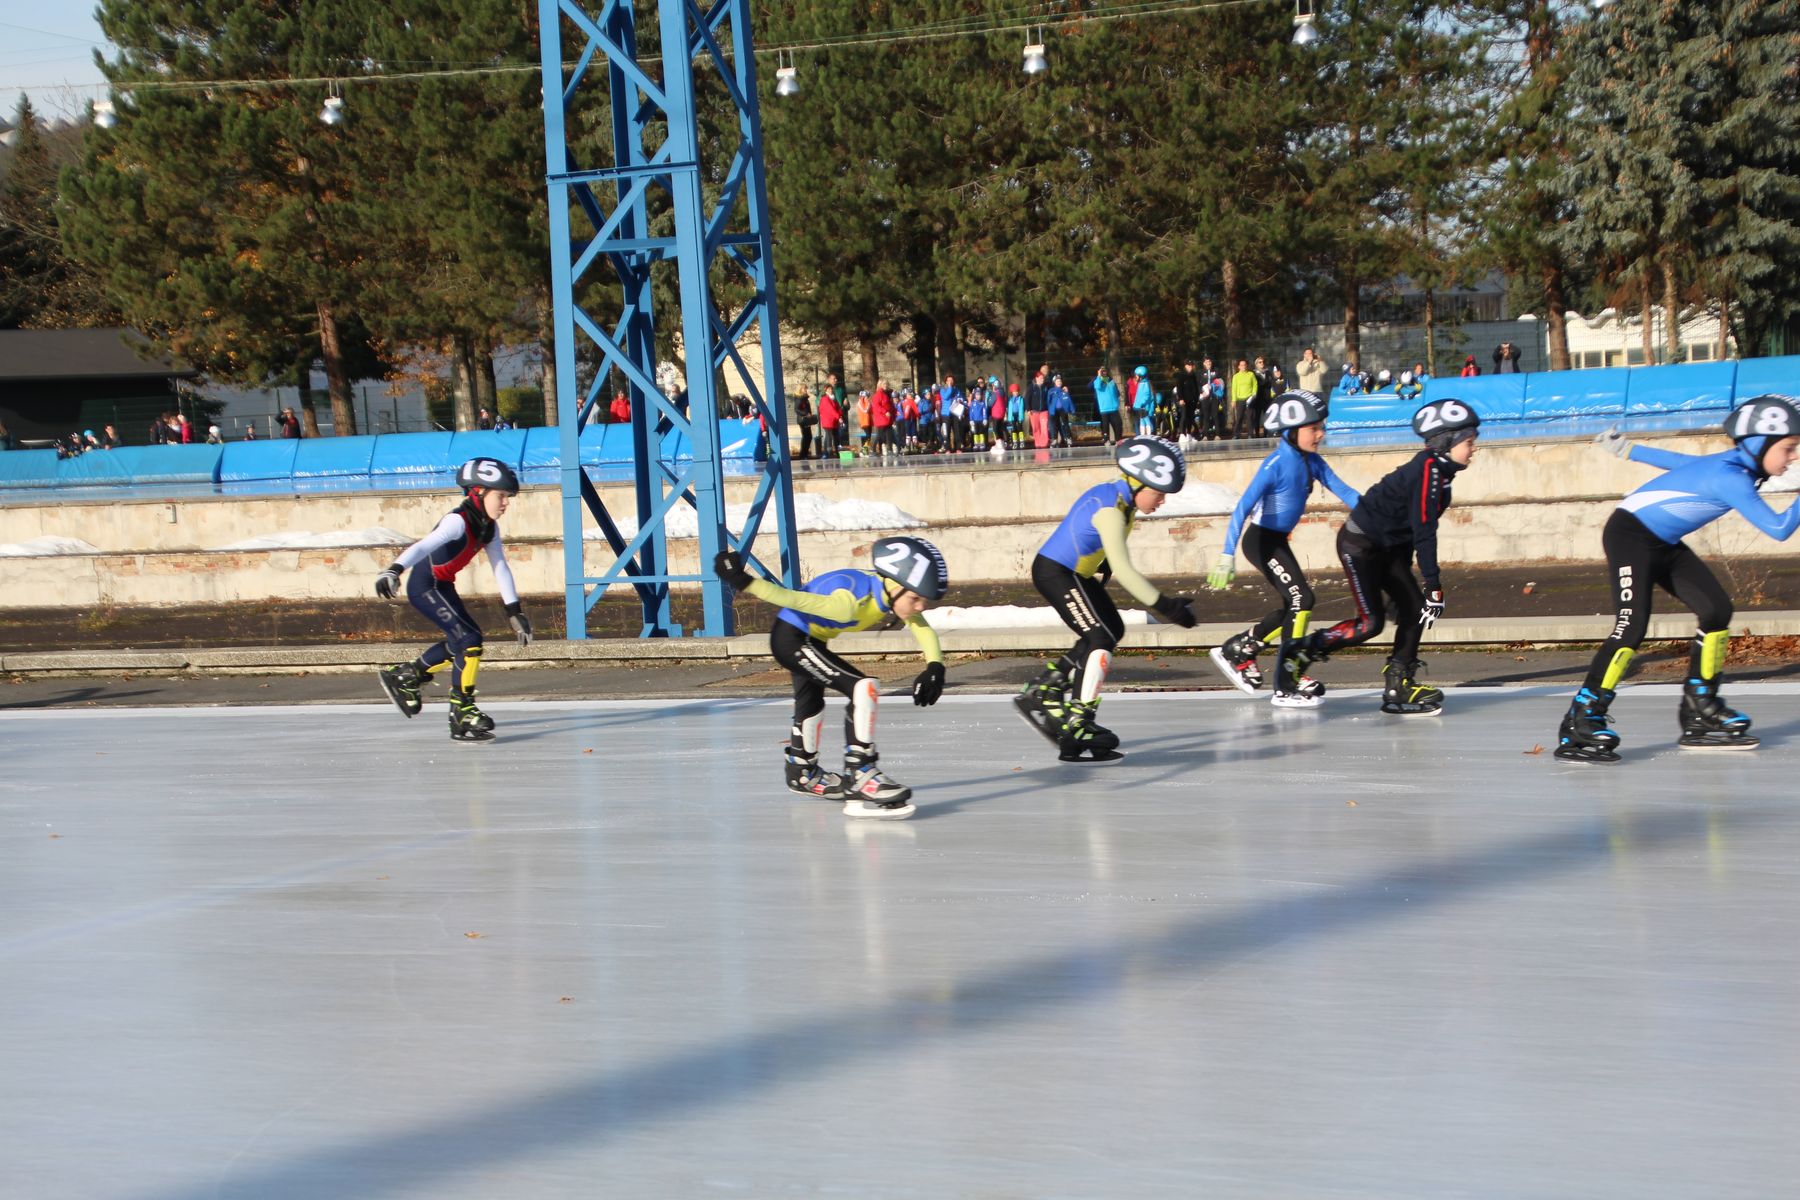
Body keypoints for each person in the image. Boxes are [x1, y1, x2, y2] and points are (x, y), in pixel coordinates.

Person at [1554, 397, 1800, 763]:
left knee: (1716, 610)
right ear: (1758, 444)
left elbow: (1683, 464)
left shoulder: (1731, 467)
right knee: (1630, 628)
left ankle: (1700, 705)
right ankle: (1583, 716)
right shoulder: (1731, 478)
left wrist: (1628, 449)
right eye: (1788, 449)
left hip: (1662, 541)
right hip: (1629, 536)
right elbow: (1779, 529)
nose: (1793, 457)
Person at [712, 536, 950, 819]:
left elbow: (921, 627)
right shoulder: (849, 602)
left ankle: (802, 771)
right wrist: (741, 580)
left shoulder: (889, 592)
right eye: (915, 598)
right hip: (792, 639)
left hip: (810, 639)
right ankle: (861, 773)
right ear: (897, 586)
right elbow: (791, 598)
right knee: (864, 688)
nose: (920, 607)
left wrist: (935, 666)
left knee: (811, 704)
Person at [1287, 399, 1478, 715]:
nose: (1473, 449)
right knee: (1370, 624)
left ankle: (1398, 683)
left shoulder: (1439, 473)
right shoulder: (1428, 473)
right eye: (1469, 442)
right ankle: (1302, 650)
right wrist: (1433, 585)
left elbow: (1403, 532)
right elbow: (1423, 531)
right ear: (1447, 443)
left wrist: (1404, 585)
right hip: (1359, 547)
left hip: (1386, 548)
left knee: (1415, 609)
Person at [1016, 437, 1198, 762]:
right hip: (1057, 573)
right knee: (1099, 636)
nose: (1162, 501)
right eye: (1159, 492)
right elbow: (1127, 571)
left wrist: (1102, 562)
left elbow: (1091, 537)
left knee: (1111, 628)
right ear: (1137, 482)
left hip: (1072, 573)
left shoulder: (1120, 501)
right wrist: (1166, 606)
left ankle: (1048, 686)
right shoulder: (1112, 510)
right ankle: (1078, 720)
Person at [1207, 390, 1363, 708]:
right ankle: (1286, 683)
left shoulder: (1313, 462)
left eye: (1322, 427)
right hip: (1261, 540)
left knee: (1294, 605)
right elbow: (1242, 508)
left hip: (1277, 541)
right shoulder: (1275, 464)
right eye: (1314, 429)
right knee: (1301, 599)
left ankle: (1240, 648)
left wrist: (1381, 513)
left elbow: (1346, 492)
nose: (1321, 434)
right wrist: (1226, 554)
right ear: (1292, 432)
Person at [373, 458, 533, 742]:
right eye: (501, 496)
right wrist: (394, 570)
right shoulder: (457, 521)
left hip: (442, 585)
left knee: (463, 641)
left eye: (507, 497)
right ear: (479, 492)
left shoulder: (488, 527)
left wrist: (514, 611)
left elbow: (500, 567)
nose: (505, 503)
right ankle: (462, 711)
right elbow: (424, 545)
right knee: (470, 640)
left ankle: (407, 675)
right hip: (425, 586)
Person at [1092, 366, 1122, 445]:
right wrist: (1099, 376)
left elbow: (1117, 392)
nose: (1104, 372)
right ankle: (1106, 440)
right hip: (1104, 409)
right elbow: (1097, 386)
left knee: (1118, 425)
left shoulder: (1111, 381)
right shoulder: (1097, 381)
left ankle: (1118, 440)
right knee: (1105, 426)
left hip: (1114, 408)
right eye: (1102, 371)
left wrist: (1117, 402)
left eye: (1105, 371)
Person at [1229, 359, 1258, 438]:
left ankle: (1250, 434)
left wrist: (1253, 394)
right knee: (1239, 417)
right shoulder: (1236, 376)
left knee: (1250, 417)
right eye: (1241, 365)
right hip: (1240, 399)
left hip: (1249, 398)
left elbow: (1255, 384)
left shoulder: (1251, 374)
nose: (1243, 366)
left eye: (1244, 365)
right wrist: (1233, 400)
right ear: (1238, 367)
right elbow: (1234, 389)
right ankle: (1236, 434)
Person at [1048, 374, 1074, 447]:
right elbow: (1048, 401)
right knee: (1055, 425)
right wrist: (1049, 409)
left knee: (1065, 423)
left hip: (1063, 409)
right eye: (1057, 381)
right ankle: (1054, 439)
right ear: (1054, 382)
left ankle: (1068, 438)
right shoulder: (1051, 391)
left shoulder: (1064, 390)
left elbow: (1069, 400)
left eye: (1060, 381)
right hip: (1054, 410)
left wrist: (1072, 409)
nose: (1059, 382)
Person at [1131, 366, 1156, 436]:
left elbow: (1147, 395)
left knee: (1146, 419)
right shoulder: (1142, 383)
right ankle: (1142, 435)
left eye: (1136, 375)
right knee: (1142, 419)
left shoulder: (1145, 384)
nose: (1135, 376)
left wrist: (1142, 403)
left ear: (1140, 375)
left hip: (1143, 406)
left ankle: (1149, 433)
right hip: (1140, 406)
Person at [818, 387, 842, 457]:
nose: (831, 390)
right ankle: (828, 452)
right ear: (825, 391)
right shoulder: (825, 399)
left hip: (834, 421)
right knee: (829, 436)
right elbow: (831, 409)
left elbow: (838, 408)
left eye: (831, 389)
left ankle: (835, 452)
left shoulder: (833, 398)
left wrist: (840, 415)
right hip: (827, 421)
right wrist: (838, 417)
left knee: (835, 436)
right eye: (829, 389)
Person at [793, 390, 816, 459]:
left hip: (807, 420)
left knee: (809, 436)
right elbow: (796, 409)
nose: (806, 390)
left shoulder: (805, 399)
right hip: (803, 420)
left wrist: (810, 414)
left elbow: (808, 409)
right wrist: (805, 413)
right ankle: (803, 454)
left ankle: (805, 453)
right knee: (806, 436)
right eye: (804, 389)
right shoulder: (800, 399)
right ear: (800, 390)